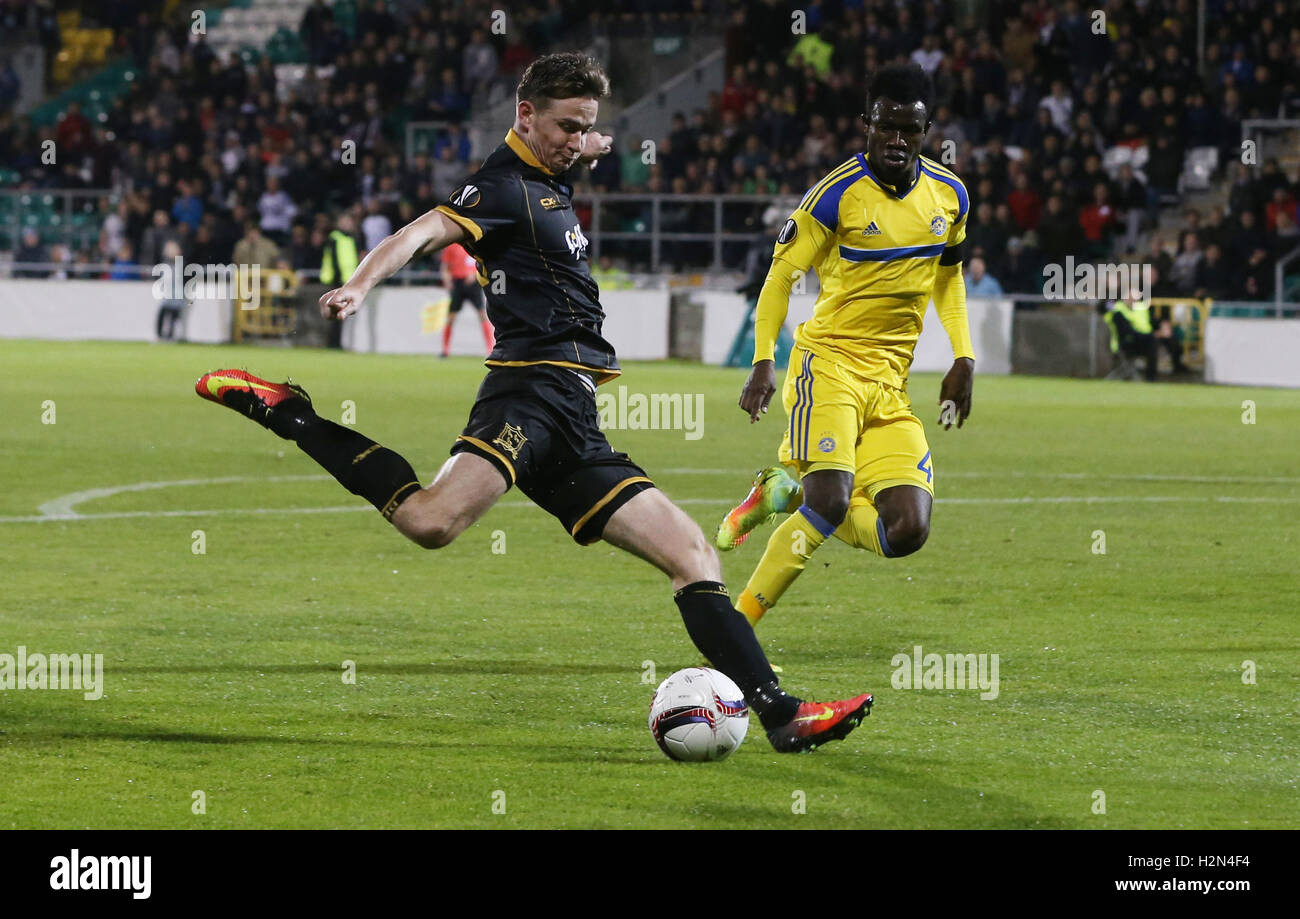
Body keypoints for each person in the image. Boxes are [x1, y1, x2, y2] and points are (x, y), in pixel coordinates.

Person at [196, 52, 870, 754]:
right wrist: (362, 284)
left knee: (695, 553)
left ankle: (781, 716)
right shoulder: (502, 187)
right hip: (530, 392)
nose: (576, 141)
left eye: (587, 129)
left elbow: (584, 139)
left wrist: (594, 141)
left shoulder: (555, 171)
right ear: (525, 115)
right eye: (566, 127)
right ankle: (291, 412)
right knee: (431, 522)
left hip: (576, 417)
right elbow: (419, 232)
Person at [714, 62, 975, 632]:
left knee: (906, 531)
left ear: (926, 130)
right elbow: (780, 276)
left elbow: (948, 277)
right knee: (829, 503)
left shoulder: (950, 195)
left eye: (911, 128)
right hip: (827, 365)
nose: (898, 140)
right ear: (866, 124)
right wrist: (763, 362)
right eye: (886, 126)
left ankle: (783, 490)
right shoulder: (835, 196)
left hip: (890, 385)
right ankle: (734, 633)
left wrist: (963, 355)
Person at [438, 241, 494, 357]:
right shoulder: (451, 246)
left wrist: (474, 274)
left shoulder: (475, 244)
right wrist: (447, 281)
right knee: (451, 317)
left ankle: (490, 348)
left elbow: (483, 263)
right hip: (458, 283)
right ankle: (445, 350)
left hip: (473, 284)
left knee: (482, 315)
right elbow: (445, 266)